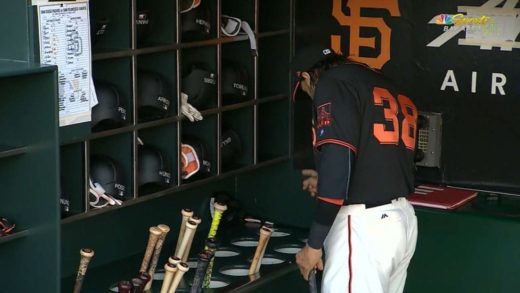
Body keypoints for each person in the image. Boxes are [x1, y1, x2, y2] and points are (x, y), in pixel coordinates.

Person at [292, 45, 419, 293]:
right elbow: (379, 159)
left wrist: (314, 245)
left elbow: (339, 166)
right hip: (401, 221)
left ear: (306, 76)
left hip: (364, 228)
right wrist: (327, 177)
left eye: (305, 90)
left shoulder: (332, 83)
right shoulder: (382, 83)